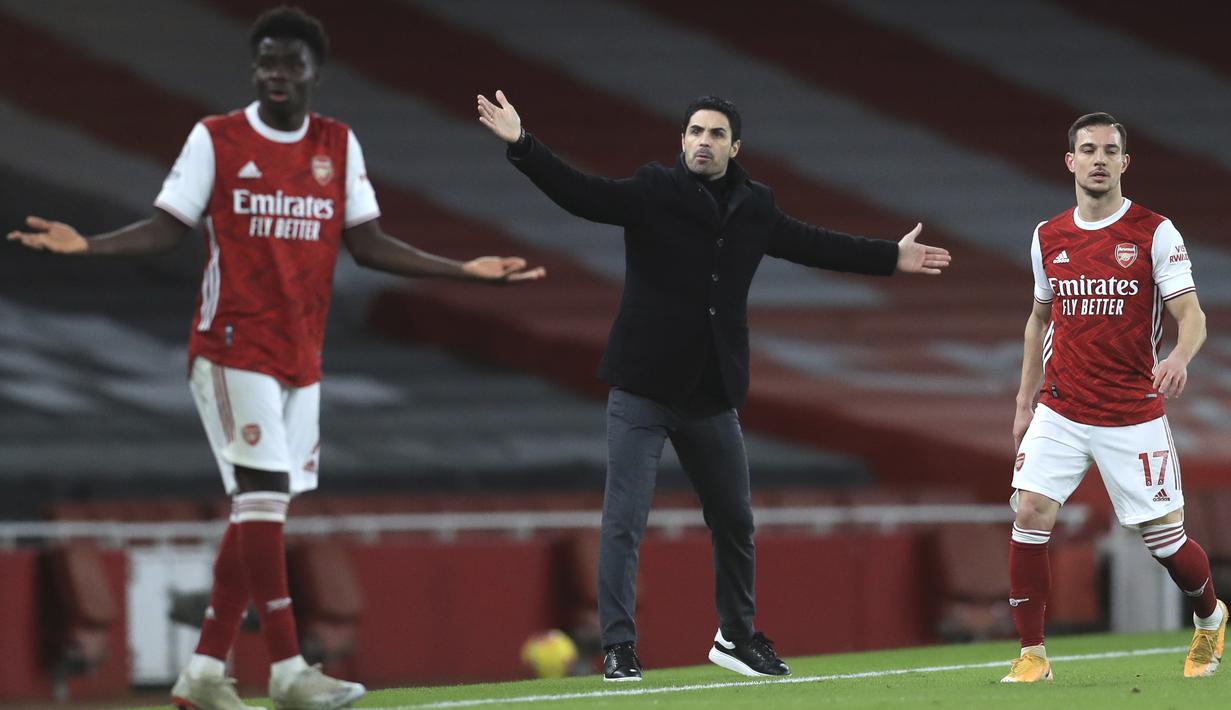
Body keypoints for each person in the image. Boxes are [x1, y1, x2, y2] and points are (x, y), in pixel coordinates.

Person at [9, 8, 543, 710]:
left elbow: (370, 243)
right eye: (265, 61)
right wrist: (90, 245)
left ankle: (202, 671)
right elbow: (166, 227)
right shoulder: (218, 138)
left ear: (315, 71)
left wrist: (463, 271)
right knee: (262, 497)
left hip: (301, 355)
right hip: (231, 348)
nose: (275, 73)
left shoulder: (337, 145)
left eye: (289, 62)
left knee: (259, 511)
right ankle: (289, 669)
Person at [476, 90, 950, 681]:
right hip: (642, 387)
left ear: (735, 147)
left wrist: (889, 257)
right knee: (624, 519)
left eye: (716, 134)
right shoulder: (653, 190)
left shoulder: (755, 207)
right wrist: (523, 144)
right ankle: (619, 647)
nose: (704, 141)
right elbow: (583, 196)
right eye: (695, 131)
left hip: (709, 391)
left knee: (734, 520)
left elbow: (810, 242)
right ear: (681, 140)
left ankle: (736, 636)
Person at [1003, 112, 1223, 683]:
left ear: (1124, 162)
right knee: (1029, 511)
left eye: (1109, 150)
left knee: (1166, 542)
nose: (1098, 159)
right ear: (1070, 162)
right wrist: (1025, 403)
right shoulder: (1048, 236)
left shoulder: (1154, 231)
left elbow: (1192, 315)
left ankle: (1209, 618)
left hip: (1131, 413)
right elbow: (1037, 320)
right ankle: (1032, 656)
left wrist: (1177, 356)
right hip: (1061, 405)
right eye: (1087, 149)